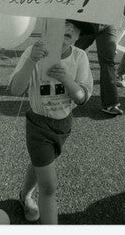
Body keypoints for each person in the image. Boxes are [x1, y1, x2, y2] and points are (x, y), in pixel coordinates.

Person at [9, 19, 93, 224]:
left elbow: (82, 97)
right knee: (49, 185)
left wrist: (67, 80)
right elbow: (15, 89)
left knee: (39, 163)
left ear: (77, 37)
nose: (61, 39)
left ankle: (24, 195)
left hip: (63, 124)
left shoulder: (79, 56)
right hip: (38, 124)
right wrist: (31, 60)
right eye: (58, 32)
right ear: (46, 30)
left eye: (68, 35)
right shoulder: (33, 51)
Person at [75, 22, 123, 116]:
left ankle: (110, 103)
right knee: (69, 53)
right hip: (86, 20)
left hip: (108, 22)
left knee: (108, 61)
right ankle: (52, 91)